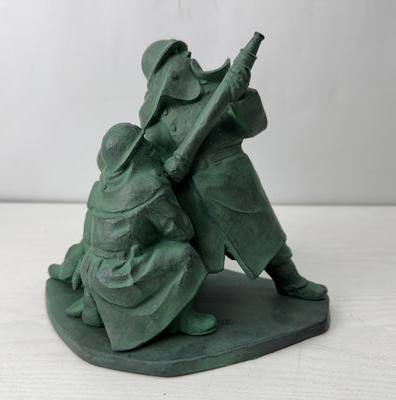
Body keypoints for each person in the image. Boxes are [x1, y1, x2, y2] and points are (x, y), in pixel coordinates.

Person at [138, 39, 327, 300]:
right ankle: (182, 301)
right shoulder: (159, 119)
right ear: (164, 72)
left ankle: (290, 281)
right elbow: (151, 160)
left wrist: (240, 97)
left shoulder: (218, 90)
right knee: (192, 251)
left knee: (267, 236)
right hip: (191, 194)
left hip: (234, 178)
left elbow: (252, 126)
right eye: (177, 53)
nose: (188, 54)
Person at [50, 123, 216, 351]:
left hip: (93, 269)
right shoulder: (150, 186)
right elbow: (181, 232)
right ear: (133, 158)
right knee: (186, 256)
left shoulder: (101, 185)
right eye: (143, 145)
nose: (150, 147)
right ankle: (179, 319)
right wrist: (169, 192)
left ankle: (94, 305)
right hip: (121, 275)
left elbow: (90, 237)